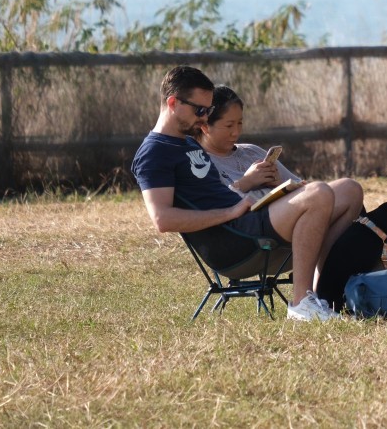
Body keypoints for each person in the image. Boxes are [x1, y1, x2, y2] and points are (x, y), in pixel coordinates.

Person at [131, 65, 363, 322]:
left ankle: (322, 295)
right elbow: (162, 219)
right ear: (173, 103)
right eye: (200, 110)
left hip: (249, 217)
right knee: (318, 193)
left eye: (208, 111)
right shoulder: (154, 153)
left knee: (348, 190)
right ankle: (301, 305)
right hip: (234, 239)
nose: (205, 118)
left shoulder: (186, 143)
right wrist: (230, 210)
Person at [195, 83, 364, 281]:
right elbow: (216, 209)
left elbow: (306, 188)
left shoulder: (251, 151)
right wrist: (246, 182)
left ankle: (323, 284)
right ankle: (306, 293)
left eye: (240, 123)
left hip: (289, 224)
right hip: (247, 239)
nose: (236, 132)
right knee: (318, 193)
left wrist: (281, 186)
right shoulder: (201, 163)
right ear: (205, 127)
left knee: (350, 189)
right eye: (229, 125)